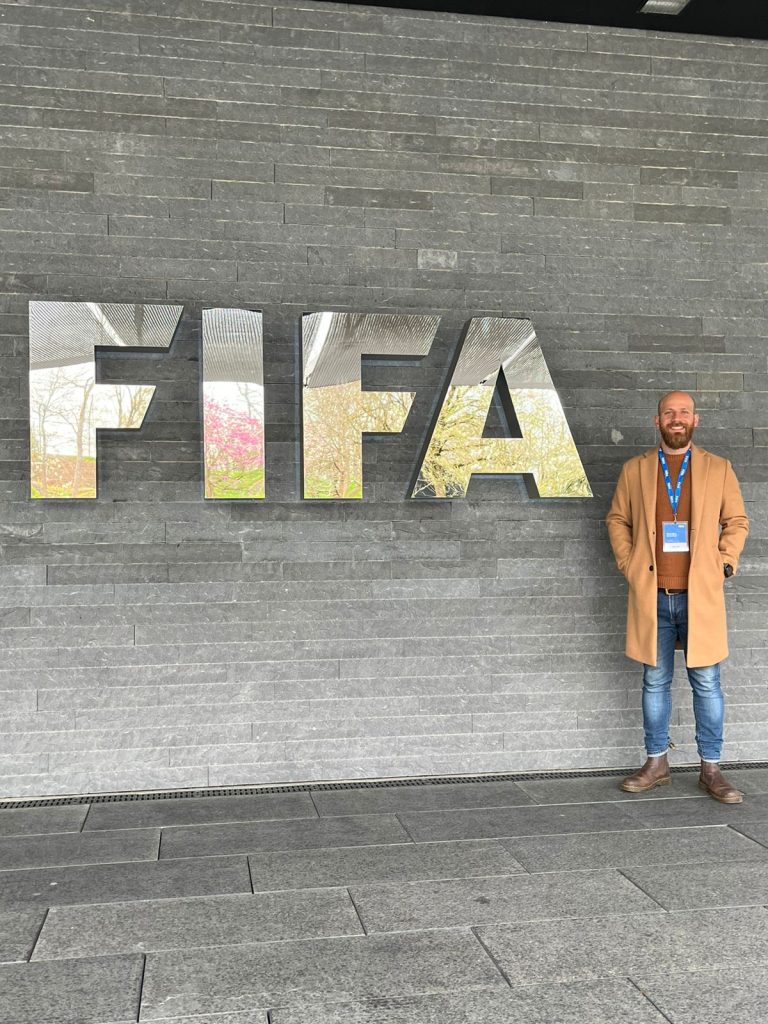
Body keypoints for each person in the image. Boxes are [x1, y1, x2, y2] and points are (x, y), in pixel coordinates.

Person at [606, 391, 749, 803]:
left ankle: (712, 769)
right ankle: (656, 763)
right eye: (669, 412)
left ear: (695, 420)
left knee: (707, 682)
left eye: (684, 411)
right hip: (652, 595)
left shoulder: (718, 468)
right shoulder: (635, 469)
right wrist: (629, 564)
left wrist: (724, 563)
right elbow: (617, 519)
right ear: (657, 421)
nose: (676, 418)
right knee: (654, 681)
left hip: (699, 595)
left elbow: (737, 520)